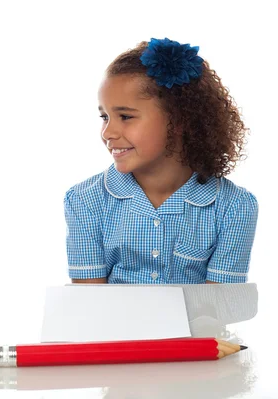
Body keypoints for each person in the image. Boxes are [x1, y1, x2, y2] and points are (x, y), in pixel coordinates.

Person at [65, 38, 258, 284]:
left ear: (178, 120)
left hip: (198, 325)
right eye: (104, 116)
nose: (108, 132)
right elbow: (88, 306)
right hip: (110, 324)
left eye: (125, 116)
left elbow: (215, 310)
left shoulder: (235, 207)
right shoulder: (84, 201)